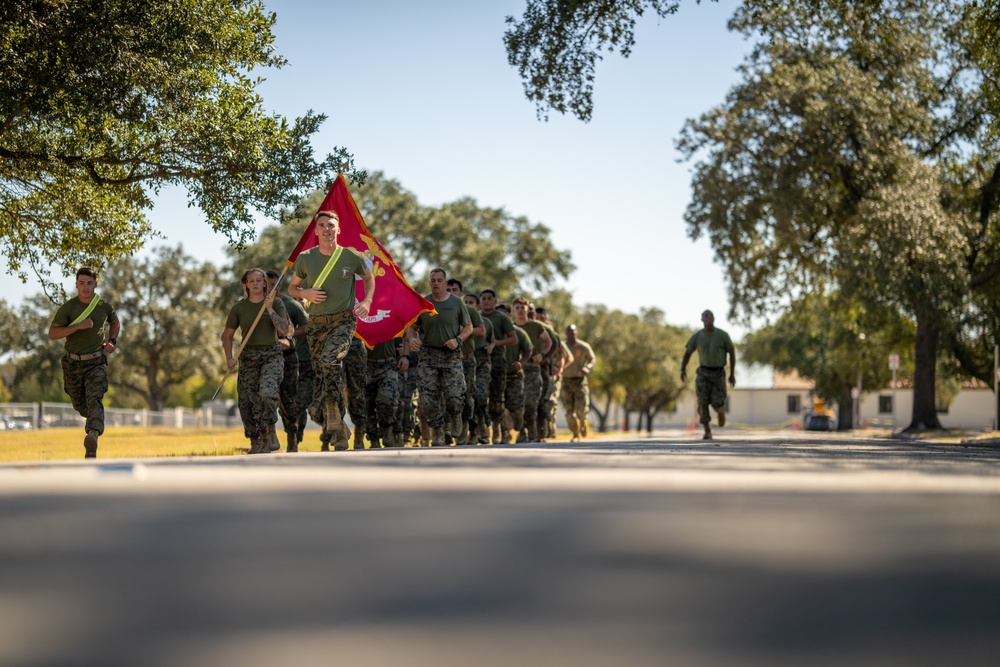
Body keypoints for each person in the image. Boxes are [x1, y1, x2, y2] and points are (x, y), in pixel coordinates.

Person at [288, 210, 375, 451]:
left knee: (330, 362)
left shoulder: (350, 256)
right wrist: (304, 293)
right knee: (325, 373)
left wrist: (366, 302)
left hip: (343, 322)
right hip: (316, 325)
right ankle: (338, 424)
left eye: (331, 225)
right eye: (322, 225)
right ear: (315, 231)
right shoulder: (306, 258)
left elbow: (369, 279)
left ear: (339, 230)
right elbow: (292, 288)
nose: (327, 229)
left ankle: (336, 417)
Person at [48, 267, 121, 459]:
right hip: (72, 364)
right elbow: (53, 333)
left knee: (95, 397)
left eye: (89, 283)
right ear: (76, 285)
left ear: (96, 284)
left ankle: (93, 436)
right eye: (81, 283)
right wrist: (77, 326)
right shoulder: (68, 308)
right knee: (80, 404)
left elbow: (115, 322)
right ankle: (93, 424)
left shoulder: (103, 306)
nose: (85, 287)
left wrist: (112, 341)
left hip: (96, 361)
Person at [222, 268, 291, 454]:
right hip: (248, 357)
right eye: (251, 281)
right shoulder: (238, 308)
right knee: (247, 403)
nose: (255, 283)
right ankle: (256, 440)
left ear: (265, 284)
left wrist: (269, 309)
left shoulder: (275, 303)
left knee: (267, 393)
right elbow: (227, 336)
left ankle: (270, 431)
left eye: (259, 280)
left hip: (271, 355)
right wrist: (229, 358)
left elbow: (284, 330)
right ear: (245, 284)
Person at [410, 268, 472, 446]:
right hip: (428, 354)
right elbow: (412, 327)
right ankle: (437, 431)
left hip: (450, 354)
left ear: (445, 283)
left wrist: (458, 340)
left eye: (439, 280)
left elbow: (468, 327)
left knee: (454, 396)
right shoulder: (424, 303)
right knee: (427, 399)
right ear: (430, 283)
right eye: (433, 280)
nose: (436, 283)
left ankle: (455, 415)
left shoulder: (457, 303)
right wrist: (413, 339)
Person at [266, 270, 308, 452]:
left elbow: (306, 326)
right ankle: (267, 436)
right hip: (265, 357)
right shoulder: (256, 303)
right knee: (267, 396)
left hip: (288, 357)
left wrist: (289, 336)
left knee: (288, 399)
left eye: (274, 284)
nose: (269, 288)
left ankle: (292, 437)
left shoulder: (290, 304)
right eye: (266, 284)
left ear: (280, 284)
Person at [680, 309, 736, 440]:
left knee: (718, 401)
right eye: (706, 316)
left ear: (714, 319)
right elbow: (687, 354)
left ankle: (720, 411)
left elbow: (732, 353)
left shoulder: (723, 336)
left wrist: (732, 374)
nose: (708, 318)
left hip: (718, 373)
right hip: (703, 373)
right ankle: (707, 431)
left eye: (710, 316)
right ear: (702, 320)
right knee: (702, 402)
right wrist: (682, 369)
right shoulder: (697, 337)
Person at [446, 278, 485, 445]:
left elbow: (482, 331)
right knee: (447, 395)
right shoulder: (440, 309)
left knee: (467, 396)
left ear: (460, 293)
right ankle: (445, 429)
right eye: (449, 289)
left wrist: (465, 330)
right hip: (447, 359)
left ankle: (465, 428)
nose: (452, 292)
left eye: (455, 289)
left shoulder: (469, 310)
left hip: (466, 359)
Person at [512, 297, 551, 442]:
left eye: (523, 308)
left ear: (528, 310)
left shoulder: (536, 326)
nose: (520, 310)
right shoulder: (510, 327)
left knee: (531, 402)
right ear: (513, 310)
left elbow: (548, 341)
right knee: (517, 402)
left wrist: (542, 354)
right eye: (517, 308)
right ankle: (522, 432)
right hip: (516, 370)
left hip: (533, 369)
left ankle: (532, 429)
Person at [480, 290, 516, 443]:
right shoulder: (476, 316)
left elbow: (513, 339)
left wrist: (496, 344)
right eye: (484, 299)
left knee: (497, 397)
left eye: (490, 299)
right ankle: (482, 429)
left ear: (494, 301)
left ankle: (497, 427)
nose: (487, 301)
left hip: (498, 361)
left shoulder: (501, 318)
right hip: (480, 361)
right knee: (480, 395)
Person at [364, 335, 408, 448]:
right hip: (366, 365)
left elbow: (401, 341)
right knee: (367, 404)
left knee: (387, 398)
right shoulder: (361, 319)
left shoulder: (389, 318)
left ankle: (387, 427)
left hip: (388, 364)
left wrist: (404, 356)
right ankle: (373, 439)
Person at [463, 292, 494, 444]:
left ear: (477, 305)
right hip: (464, 361)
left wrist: (491, 346)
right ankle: (471, 431)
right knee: (466, 397)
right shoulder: (458, 319)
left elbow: (491, 340)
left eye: (472, 302)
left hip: (482, 362)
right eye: (466, 301)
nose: (468, 304)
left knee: (480, 395)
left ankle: (482, 423)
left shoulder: (486, 322)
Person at [560, 324, 596, 441]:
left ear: (577, 332)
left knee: (581, 409)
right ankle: (575, 434)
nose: (572, 333)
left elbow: (592, 359)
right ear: (566, 333)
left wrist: (588, 367)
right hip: (566, 381)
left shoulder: (583, 346)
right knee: (569, 412)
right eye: (569, 331)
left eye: (573, 331)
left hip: (579, 381)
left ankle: (583, 422)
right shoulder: (562, 346)